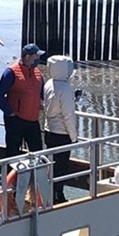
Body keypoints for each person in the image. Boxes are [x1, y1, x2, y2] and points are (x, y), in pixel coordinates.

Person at [0, 43, 45, 155]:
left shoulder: (38, 73)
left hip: (33, 120)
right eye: (36, 55)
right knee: (12, 152)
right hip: (15, 120)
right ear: (27, 57)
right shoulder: (11, 72)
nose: (38, 58)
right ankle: (10, 167)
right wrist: (9, 112)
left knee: (38, 152)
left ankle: (36, 168)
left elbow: (42, 93)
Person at [41, 55, 77, 204]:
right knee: (61, 167)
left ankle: (48, 193)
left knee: (51, 165)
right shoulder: (65, 89)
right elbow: (68, 115)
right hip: (62, 133)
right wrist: (74, 137)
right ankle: (58, 195)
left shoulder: (48, 84)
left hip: (49, 130)